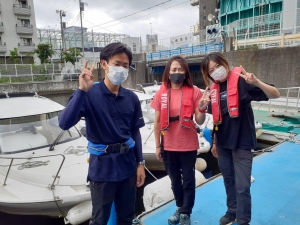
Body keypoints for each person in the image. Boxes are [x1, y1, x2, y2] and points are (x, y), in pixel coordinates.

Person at [58, 42, 146, 225]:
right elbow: (64, 123)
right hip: (102, 170)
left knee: (127, 217)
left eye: (125, 65)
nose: (121, 69)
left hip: (128, 166)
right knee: (99, 220)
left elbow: (135, 133)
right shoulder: (89, 94)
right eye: (117, 63)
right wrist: (82, 90)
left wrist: (140, 164)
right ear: (104, 64)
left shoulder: (132, 98)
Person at [200, 52, 280, 225]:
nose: (215, 71)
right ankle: (232, 212)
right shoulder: (213, 92)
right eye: (211, 70)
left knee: (242, 186)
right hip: (222, 144)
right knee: (228, 180)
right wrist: (214, 142)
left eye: (217, 66)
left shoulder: (242, 81)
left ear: (224, 63)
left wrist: (257, 82)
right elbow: (216, 119)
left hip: (242, 142)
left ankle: (243, 221)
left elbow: (275, 94)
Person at [151, 55, 210, 225]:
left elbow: (198, 120)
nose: (177, 72)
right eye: (174, 69)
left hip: (188, 145)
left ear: (185, 72)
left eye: (180, 69)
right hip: (168, 145)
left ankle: (186, 213)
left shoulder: (195, 91)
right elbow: (156, 122)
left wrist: (203, 107)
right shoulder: (161, 92)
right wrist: (157, 146)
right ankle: (179, 207)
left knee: (189, 180)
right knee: (175, 181)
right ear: (168, 72)